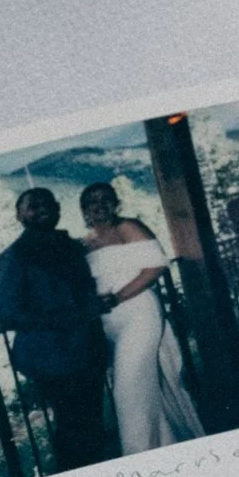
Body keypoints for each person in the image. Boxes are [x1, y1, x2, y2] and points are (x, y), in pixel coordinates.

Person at [0, 187, 113, 469]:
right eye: (33, 205)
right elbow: (8, 316)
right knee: (73, 430)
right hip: (53, 358)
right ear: (19, 215)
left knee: (91, 422)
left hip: (87, 349)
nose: (42, 208)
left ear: (58, 209)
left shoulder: (68, 246)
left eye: (48, 202)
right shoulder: (12, 259)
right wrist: (74, 315)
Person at [80, 180, 202, 452]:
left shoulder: (128, 228)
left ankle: (139, 454)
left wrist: (118, 297)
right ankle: (164, 445)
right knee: (143, 387)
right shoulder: (84, 244)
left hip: (139, 315)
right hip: (111, 324)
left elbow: (157, 266)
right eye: (92, 202)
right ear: (84, 211)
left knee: (127, 390)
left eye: (105, 199)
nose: (99, 206)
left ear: (116, 203)